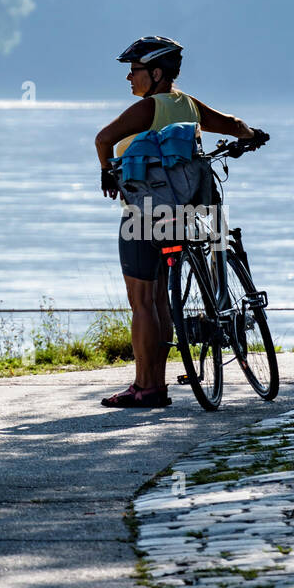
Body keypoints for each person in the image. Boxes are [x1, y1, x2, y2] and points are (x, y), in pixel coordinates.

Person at [95, 35, 263, 410]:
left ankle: (145, 386)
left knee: (142, 302)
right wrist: (253, 135)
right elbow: (232, 124)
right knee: (161, 301)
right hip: (182, 215)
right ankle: (159, 384)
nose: (129, 79)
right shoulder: (188, 104)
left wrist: (107, 173)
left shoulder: (148, 108)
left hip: (141, 217)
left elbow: (103, 139)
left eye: (134, 71)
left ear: (155, 73)